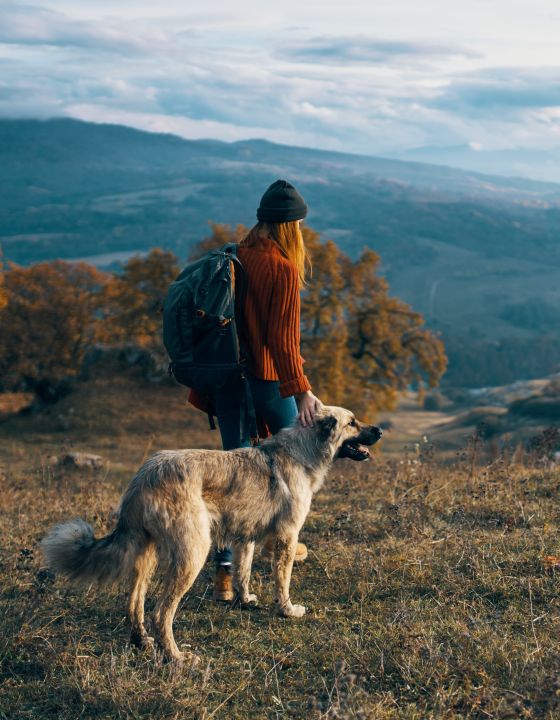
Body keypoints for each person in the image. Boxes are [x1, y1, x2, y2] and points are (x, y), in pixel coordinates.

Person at [188, 179, 323, 601]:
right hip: (267, 381)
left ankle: (224, 579)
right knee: (294, 466)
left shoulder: (236, 256)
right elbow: (283, 343)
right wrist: (301, 391)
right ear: (290, 226)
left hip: (228, 380)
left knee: (230, 479)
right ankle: (283, 535)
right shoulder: (282, 268)